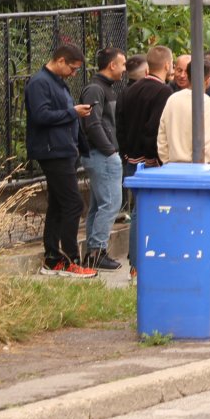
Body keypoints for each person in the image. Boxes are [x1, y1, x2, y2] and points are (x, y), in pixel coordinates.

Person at [25, 42, 95, 277]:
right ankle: (69, 259)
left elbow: (67, 118)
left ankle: (53, 257)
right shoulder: (39, 83)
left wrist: (82, 145)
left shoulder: (58, 83)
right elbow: (41, 116)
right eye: (73, 68)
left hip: (65, 150)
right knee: (74, 204)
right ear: (61, 61)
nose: (74, 74)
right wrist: (72, 112)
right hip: (52, 151)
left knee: (58, 204)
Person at [79, 47, 126, 271]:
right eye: (123, 64)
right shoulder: (95, 89)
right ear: (112, 65)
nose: (125, 69)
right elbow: (92, 123)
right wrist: (110, 150)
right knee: (110, 204)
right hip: (102, 155)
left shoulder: (104, 88)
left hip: (102, 154)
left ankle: (93, 252)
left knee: (99, 206)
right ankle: (97, 252)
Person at [158, 56, 210, 165]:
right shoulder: (207, 102)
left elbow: (162, 136)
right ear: (208, 80)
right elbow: (207, 142)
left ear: (188, 76)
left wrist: (167, 162)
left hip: (172, 166)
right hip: (198, 168)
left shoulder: (172, 99)